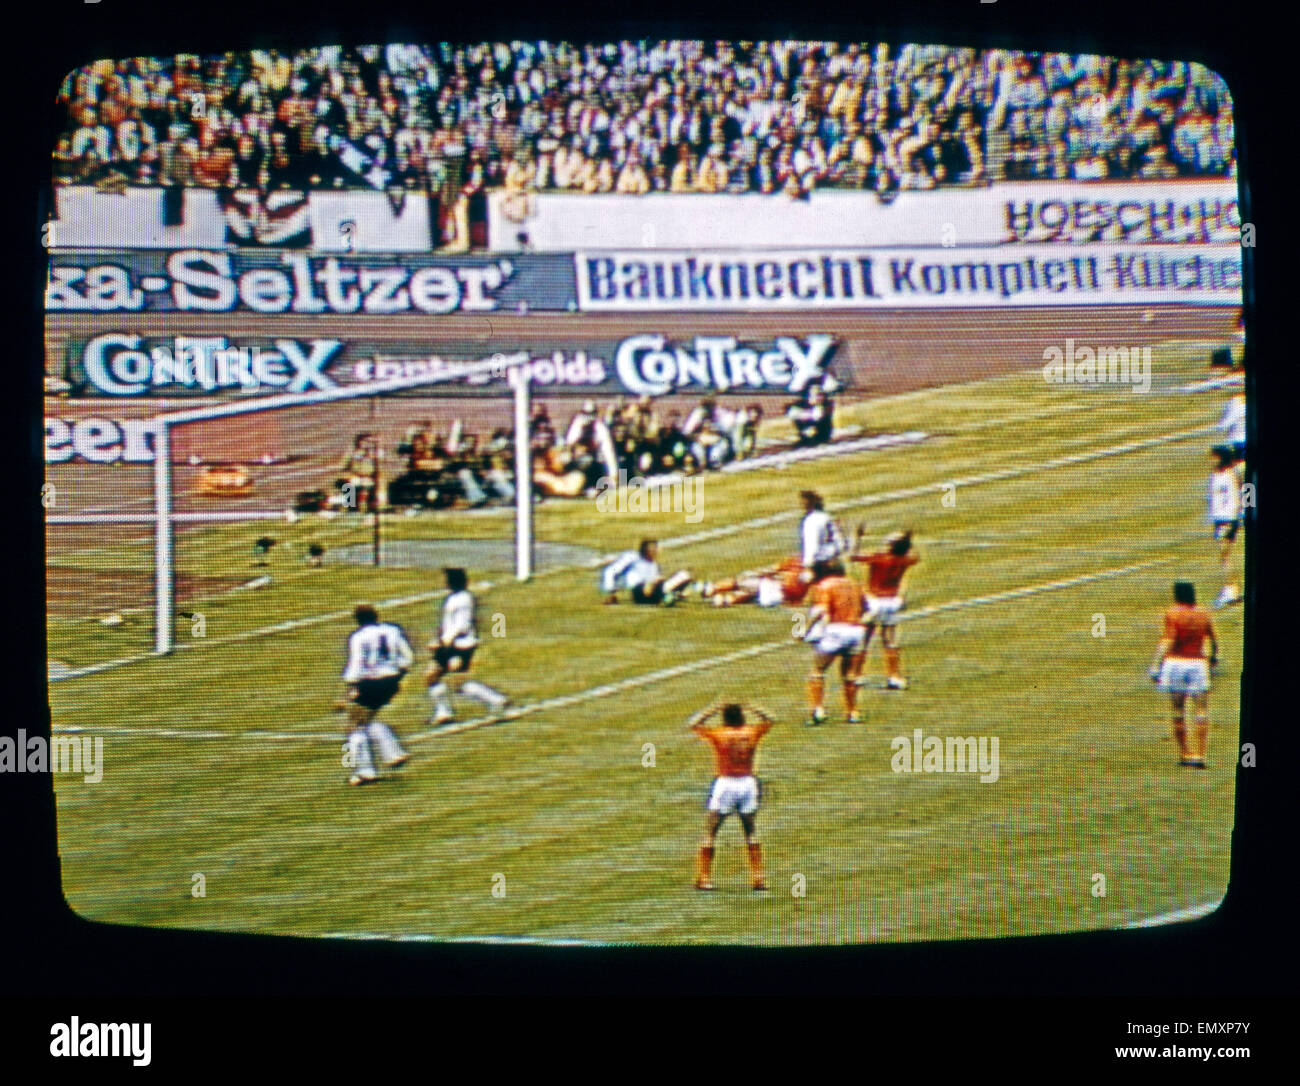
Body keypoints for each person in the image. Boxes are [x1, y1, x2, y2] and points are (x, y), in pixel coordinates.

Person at [688, 702, 775, 891]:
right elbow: (770, 720)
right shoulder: (751, 733)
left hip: (726, 783)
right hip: (747, 783)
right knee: (750, 831)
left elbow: (694, 725)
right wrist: (753, 708)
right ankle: (758, 877)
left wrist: (712, 710)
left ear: (725, 718)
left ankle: (704, 878)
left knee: (711, 832)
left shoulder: (719, 734)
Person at [339, 604, 413, 786]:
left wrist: (348, 691)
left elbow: (356, 667)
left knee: (353, 725)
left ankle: (366, 772)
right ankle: (393, 753)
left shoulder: (358, 637)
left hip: (370, 683)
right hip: (392, 681)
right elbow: (408, 658)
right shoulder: (392, 630)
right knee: (366, 720)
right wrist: (398, 675)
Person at [425, 568, 510, 725]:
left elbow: (462, 625)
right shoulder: (454, 597)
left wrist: (444, 641)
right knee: (431, 675)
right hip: (451, 644)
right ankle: (443, 712)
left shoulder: (463, 599)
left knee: (458, 682)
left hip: (460, 645)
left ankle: (496, 700)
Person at [1149, 582, 1219, 768]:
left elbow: (1168, 640)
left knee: (1178, 710)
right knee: (1201, 709)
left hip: (1176, 663)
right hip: (1197, 662)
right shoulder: (1204, 613)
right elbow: (1212, 640)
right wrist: (1213, 659)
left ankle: (1185, 753)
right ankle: (1201, 754)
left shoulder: (1173, 613)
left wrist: (1156, 664)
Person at [799, 560, 867, 725]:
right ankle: (853, 712)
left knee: (818, 671)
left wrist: (804, 630)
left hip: (836, 630)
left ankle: (818, 711)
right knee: (850, 674)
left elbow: (822, 612)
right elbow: (866, 608)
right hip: (856, 631)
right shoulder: (856, 585)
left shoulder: (825, 585)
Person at [851, 528, 920, 689]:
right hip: (892, 602)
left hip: (874, 601)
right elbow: (916, 557)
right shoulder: (903, 560)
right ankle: (893, 676)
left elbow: (853, 556)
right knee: (890, 640)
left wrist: (857, 538)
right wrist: (909, 542)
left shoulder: (879, 558)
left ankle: (856, 674)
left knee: (865, 639)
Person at [600, 539, 693, 605]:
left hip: (652, 595)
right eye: (653, 549)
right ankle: (671, 594)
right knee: (683, 575)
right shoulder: (632, 557)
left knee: (684, 576)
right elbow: (610, 571)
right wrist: (610, 591)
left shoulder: (654, 565)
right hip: (639, 591)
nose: (656, 551)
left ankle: (672, 595)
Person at [1208, 446, 1243, 608]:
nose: (1211, 459)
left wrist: (1232, 519)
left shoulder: (1230, 474)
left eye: (1214, 457)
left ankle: (1231, 589)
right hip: (1218, 518)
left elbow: (1236, 498)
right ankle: (1231, 588)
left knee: (1225, 556)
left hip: (1226, 519)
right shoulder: (1216, 473)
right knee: (1224, 556)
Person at [798, 490, 849, 584]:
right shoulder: (828, 517)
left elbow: (812, 544)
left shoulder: (811, 520)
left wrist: (808, 566)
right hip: (836, 564)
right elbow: (842, 544)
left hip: (820, 568)